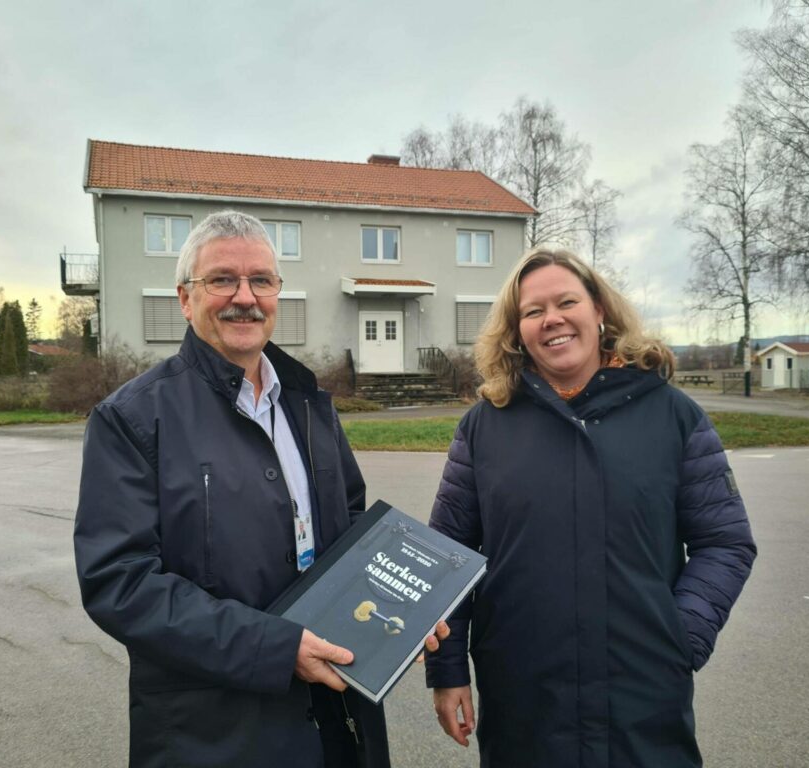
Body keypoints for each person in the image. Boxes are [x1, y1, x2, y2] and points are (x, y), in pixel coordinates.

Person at [74, 210, 445, 768]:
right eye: (222, 279)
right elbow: (120, 585)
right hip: (214, 736)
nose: (244, 297)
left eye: (261, 280)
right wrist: (276, 648)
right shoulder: (131, 419)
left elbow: (350, 536)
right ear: (184, 298)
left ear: (277, 293)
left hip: (336, 722)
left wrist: (404, 610)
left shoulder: (309, 404)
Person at [425, 247, 757, 767]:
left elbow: (725, 540)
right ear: (516, 331)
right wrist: (447, 672)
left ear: (599, 309)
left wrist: (681, 635)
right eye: (532, 311)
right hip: (523, 701)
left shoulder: (673, 416)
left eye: (566, 302)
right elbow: (445, 554)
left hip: (643, 701)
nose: (551, 319)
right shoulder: (484, 427)